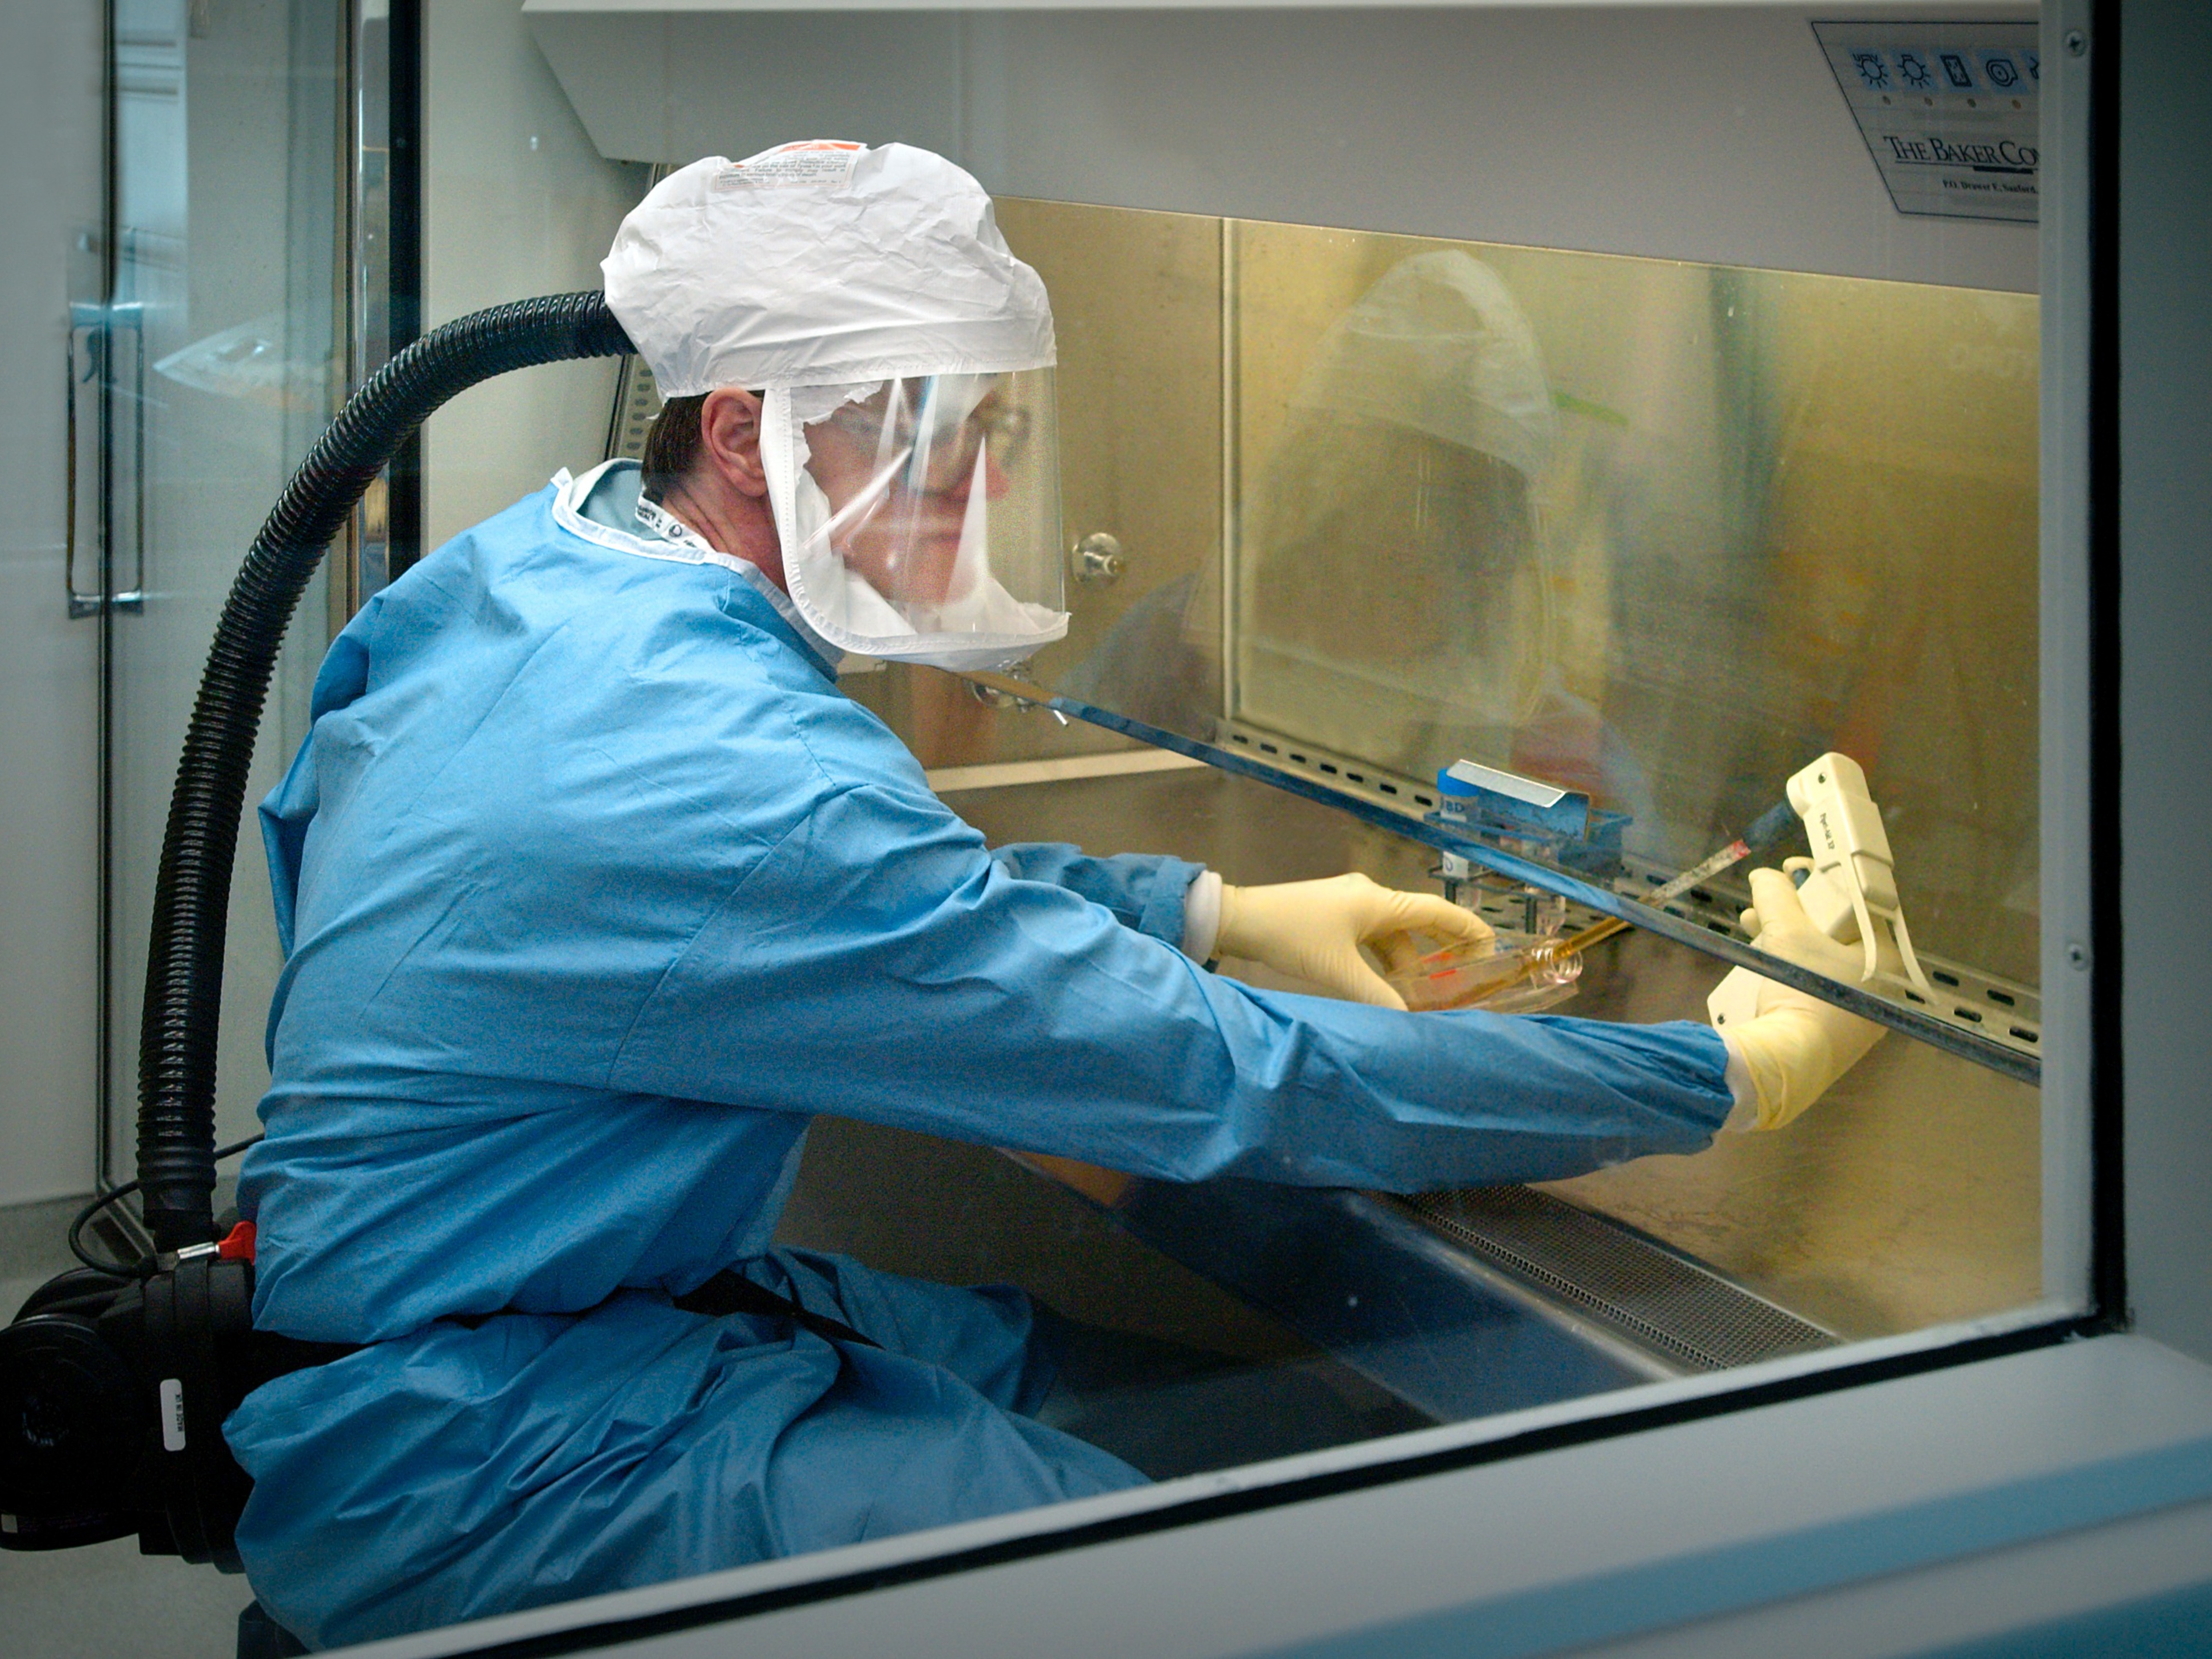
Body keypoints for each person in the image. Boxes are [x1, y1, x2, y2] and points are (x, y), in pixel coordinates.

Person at [222, 142, 1882, 1648]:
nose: (986, 497)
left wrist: (1209, 909)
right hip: (481, 1440)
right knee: (1177, 1585)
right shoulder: (739, 762)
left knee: (1212, 1420)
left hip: (551, 1308)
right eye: (940, 442)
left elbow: (760, 899)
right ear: (744, 431)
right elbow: (1227, 1077)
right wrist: (1720, 1075)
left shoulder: (537, 569)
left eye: (997, 439)